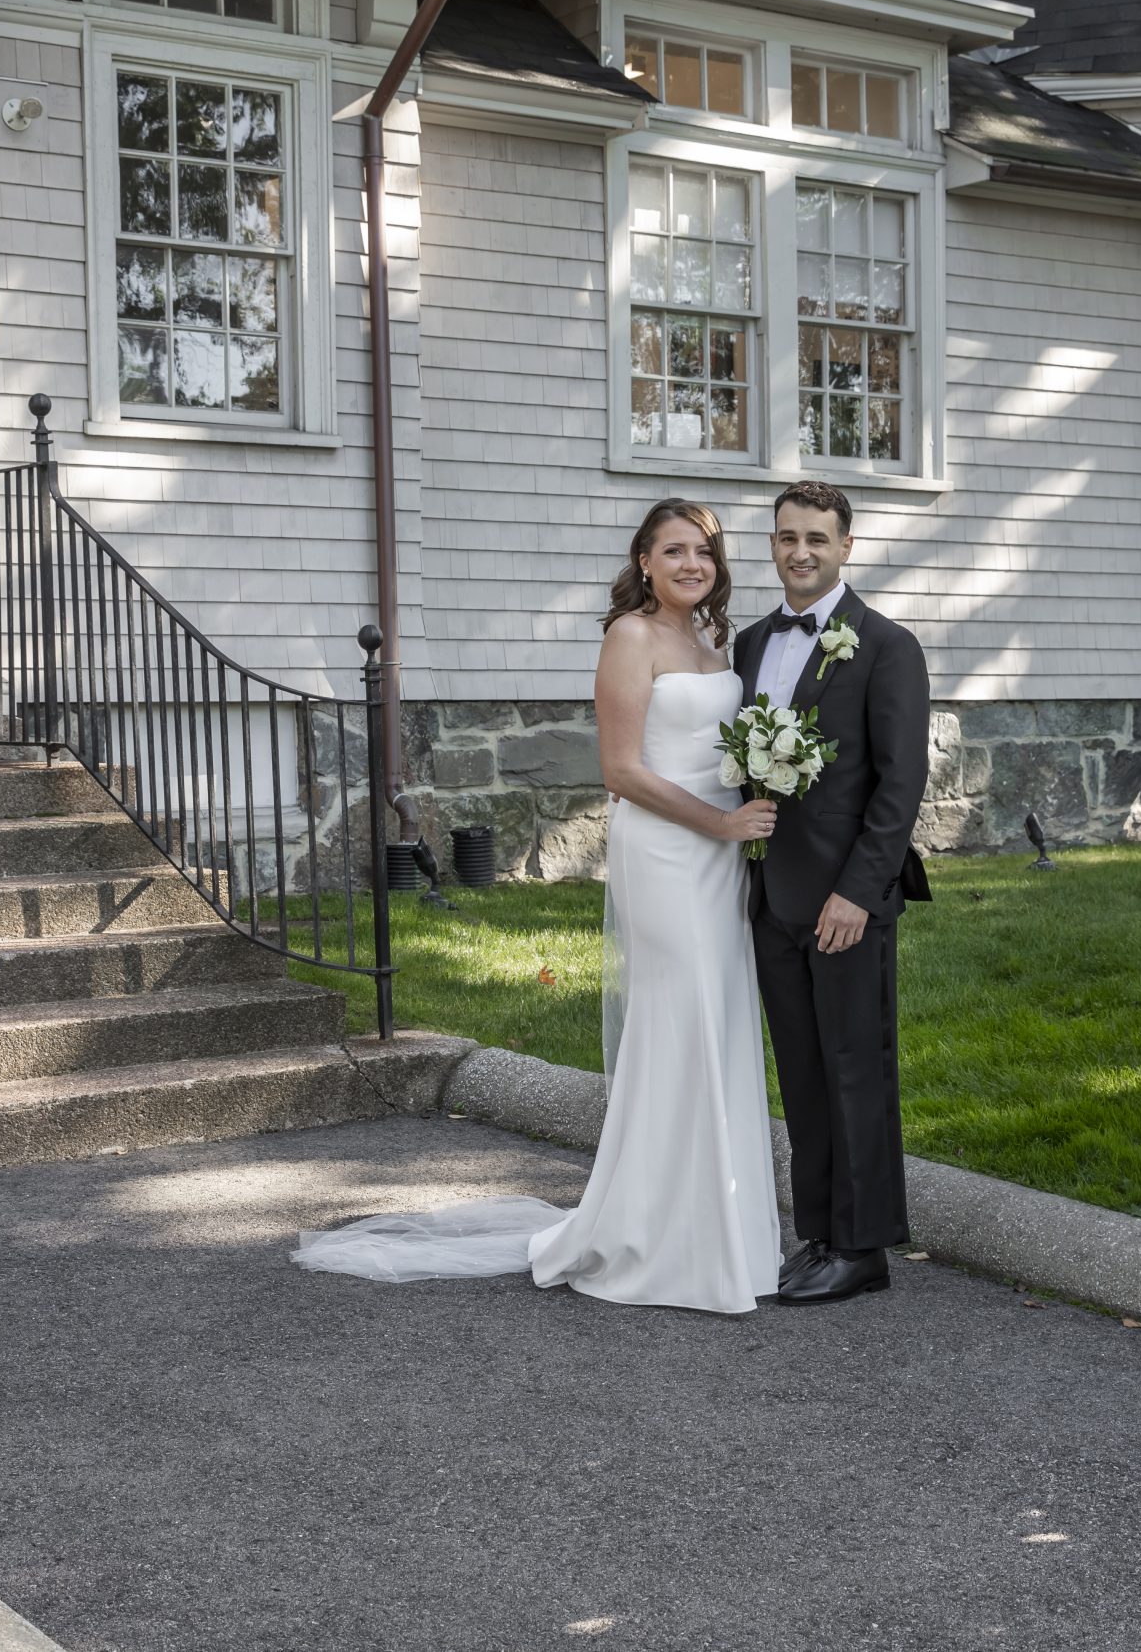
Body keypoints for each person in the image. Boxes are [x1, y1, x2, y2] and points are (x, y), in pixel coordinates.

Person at [289, 499, 785, 1313]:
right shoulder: (628, 636)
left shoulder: (715, 638)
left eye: (704, 551)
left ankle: (719, 1231)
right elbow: (622, 772)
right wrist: (721, 821)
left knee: (722, 1021)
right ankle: (655, 1236)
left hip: (721, 852)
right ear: (645, 560)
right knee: (682, 1020)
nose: (692, 563)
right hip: (667, 848)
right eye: (674, 550)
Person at [734, 481, 931, 1304]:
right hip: (771, 897)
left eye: (817, 537)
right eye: (787, 537)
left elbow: (900, 783)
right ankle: (818, 1233)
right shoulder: (749, 643)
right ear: (773, 544)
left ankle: (865, 1247)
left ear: (847, 545)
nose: (801, 551)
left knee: (856, 1069)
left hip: (847, 901)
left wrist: (858, 890)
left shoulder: (886, 646)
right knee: (803, 1074)